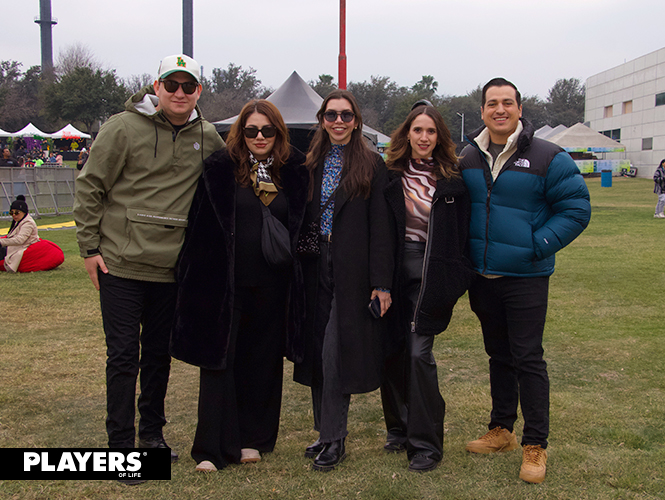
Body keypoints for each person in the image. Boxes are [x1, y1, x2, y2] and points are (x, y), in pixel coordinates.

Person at [73, 54, 224, 471]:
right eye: (171, 85)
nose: (179, 93)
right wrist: (89, 249)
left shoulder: (208, 136)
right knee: (122, 356)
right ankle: (120, 445)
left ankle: (151, 435)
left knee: (158, 355)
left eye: (188, 86)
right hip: (120, 264)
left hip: (172, 268)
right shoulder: (122, 128)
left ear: (198, 92)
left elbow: (231, 180)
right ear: (155, 86)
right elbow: (91, 188)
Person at [459, 77, 591, 484]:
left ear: (519, 108)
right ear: (482, 111)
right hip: (482, 278)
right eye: (492, 103)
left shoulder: (549, 156)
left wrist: (538, 244)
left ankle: (536, 444)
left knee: (528, 358)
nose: (500, 109)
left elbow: (576, 208)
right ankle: (502, 430)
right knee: (498, 356)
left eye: (507, 103)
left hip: (526, 277)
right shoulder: (467, 155)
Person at [170, 99, 309, 473]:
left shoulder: (294, 171)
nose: (259, 136)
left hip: (274, 287)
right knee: (220, 362)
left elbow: (304, 229)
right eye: (251, 130)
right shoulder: (220, 169)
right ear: (240, 133)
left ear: (278, 132)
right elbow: (200, 226)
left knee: (262, 362)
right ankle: (211, 449)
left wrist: (303, 264)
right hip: (224, 283)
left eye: (267, 130)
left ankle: (254, 438)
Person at [293, 89, 395, 472]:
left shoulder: (371, 164)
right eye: (332, 115)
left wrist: (382, 283)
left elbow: (382, 228)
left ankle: (335, 439)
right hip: (314, 264)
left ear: (357, 121)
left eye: (346, 116)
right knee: (318, 350)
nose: (339, 122)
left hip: (352, 270)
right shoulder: (311, 163)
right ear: (322, 119)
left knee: (335, 351)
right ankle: (323, 431)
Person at [380, 104, 474, 473]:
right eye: (417, 130)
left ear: (440, 137)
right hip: (389, 274)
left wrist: (457, 275)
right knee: (392, 350)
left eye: (431, 132)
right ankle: (398, 427)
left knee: (420, 354)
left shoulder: (453, 179)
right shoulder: (388, 175)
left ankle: (426, 445)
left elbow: (463, 235)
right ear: (406, 134)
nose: (423, 138)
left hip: (430, 275)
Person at [0, 195, 64, 273]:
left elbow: (20, 240)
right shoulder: (19, 221)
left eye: (16, 212)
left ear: (24, 212)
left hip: (20, 248)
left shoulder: (28, 223)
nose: (14, 215)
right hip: (14, 247)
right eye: (11, 212)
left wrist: (1, 242)